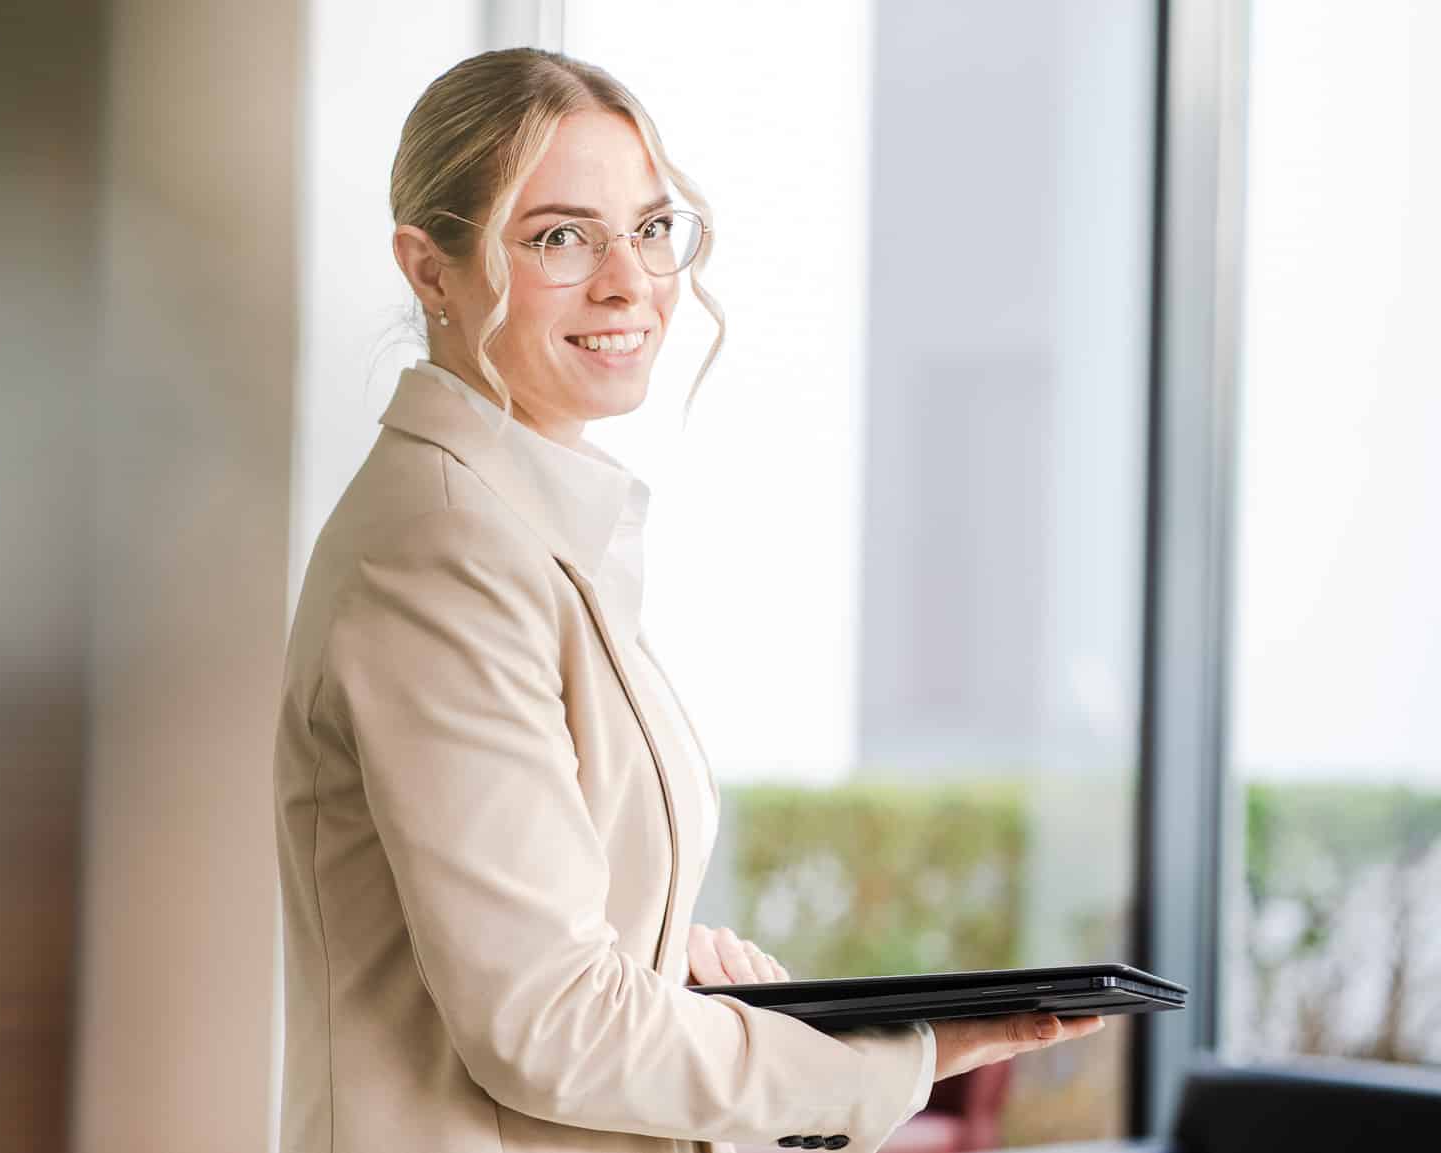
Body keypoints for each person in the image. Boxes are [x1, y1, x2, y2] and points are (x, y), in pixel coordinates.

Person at [271, 48, 1102, 1153]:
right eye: (559, 236)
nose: (627, 281)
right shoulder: (442, 555)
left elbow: (540, 957)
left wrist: (669, 967)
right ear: (430, 270)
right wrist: (896, 1058)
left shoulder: (520, 526)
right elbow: (548, 1024)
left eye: (651, 229)